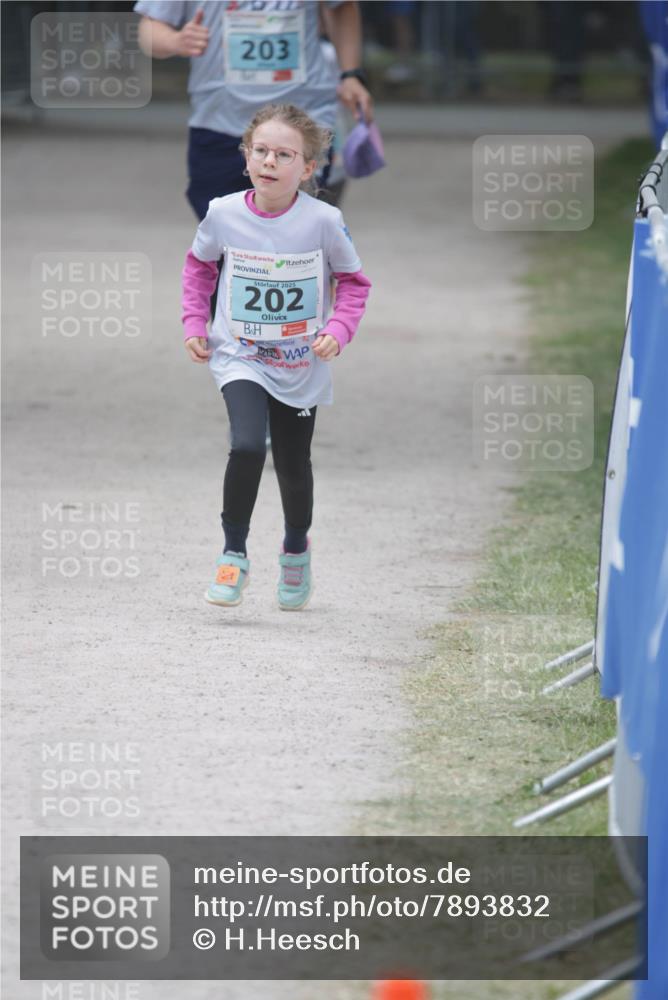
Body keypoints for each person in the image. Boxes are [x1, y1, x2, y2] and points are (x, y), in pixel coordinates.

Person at [181, 103, 371, 610]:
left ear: (307, 168)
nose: (269, 162)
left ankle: (294, 549)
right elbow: (199, 268)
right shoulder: (222, 213)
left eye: (284, 155)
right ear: (246, 157)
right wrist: (194, 322)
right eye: (260, 151)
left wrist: (338, 328)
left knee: (292, 462)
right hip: (240, 354)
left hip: (299, 363)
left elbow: (353, 283)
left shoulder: (324, 221)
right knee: (246, 445)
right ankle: (233, 554)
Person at [135, 1, 374, 218]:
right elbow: (149, 28)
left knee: (295, 234)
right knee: (224, 241)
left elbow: (342, 6)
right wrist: (175, 41)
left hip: (304, 120)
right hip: (220, 122)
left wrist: (350, 74)